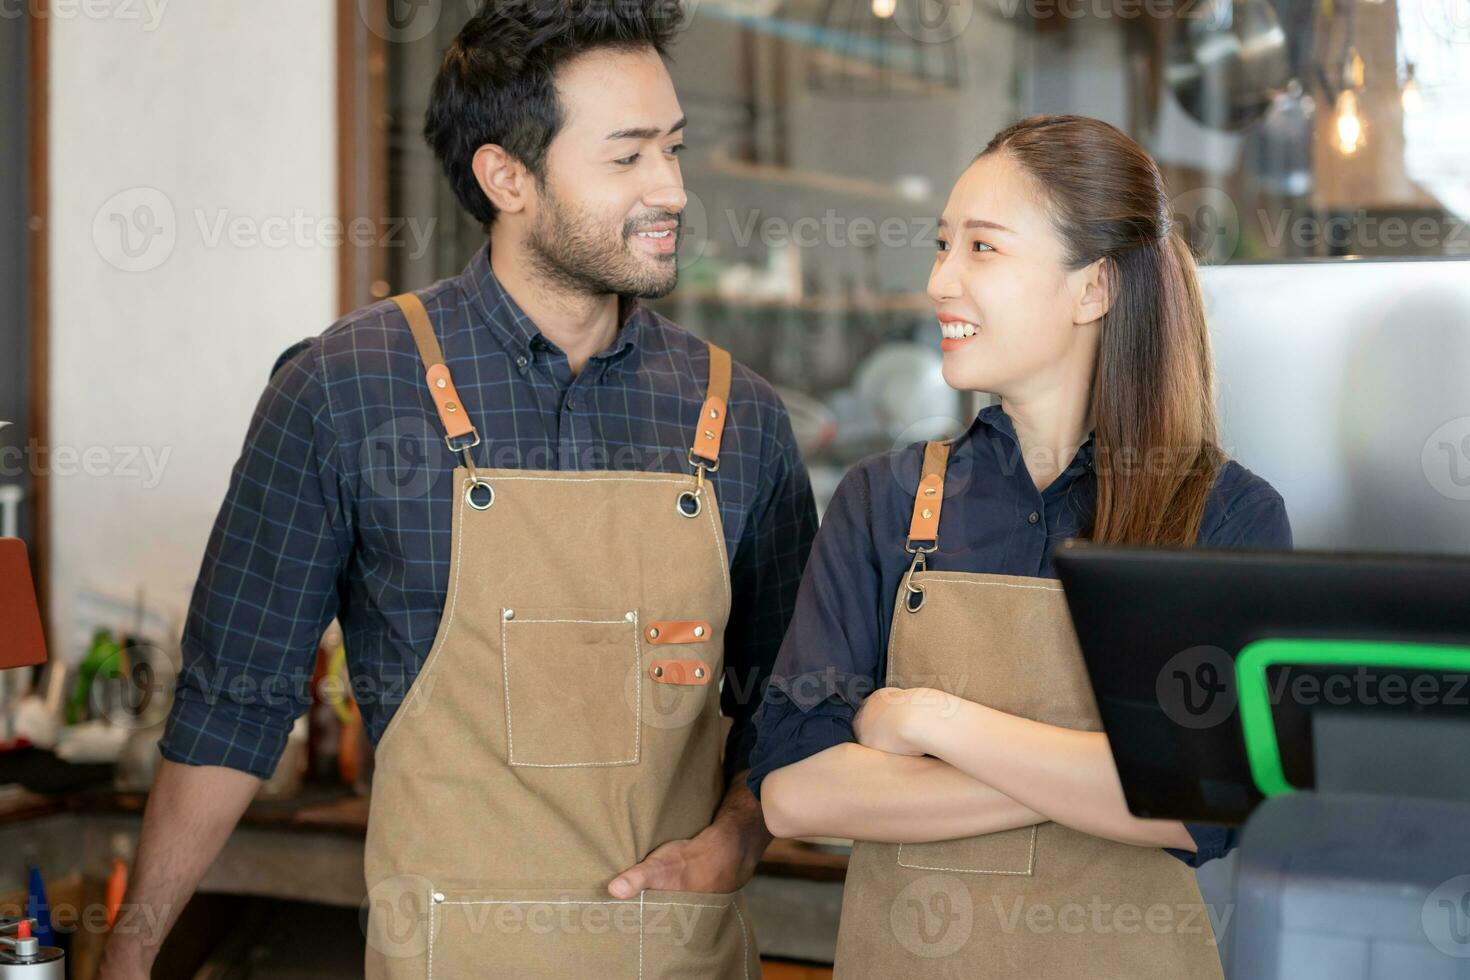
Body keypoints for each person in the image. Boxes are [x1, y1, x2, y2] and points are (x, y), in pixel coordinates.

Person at [98, 4, 816, 978]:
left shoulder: (741, 419)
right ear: (506, 176)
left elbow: (791, 702)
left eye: (675, 148)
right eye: (628, 156)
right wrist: (132, 948)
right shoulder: (345, 390)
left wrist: (739, 834)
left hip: (680, 955)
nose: (673, 188)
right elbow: (233, 703)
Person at [747, 115, 1291, 978]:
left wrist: (934, 719)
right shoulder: (882, 503)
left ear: (1094, 289)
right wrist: (1104, 781)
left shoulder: (1222, 515)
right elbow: (794, 790)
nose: (939, 280)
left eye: (982, 249)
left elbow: (1208, 807)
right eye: (941, 245)